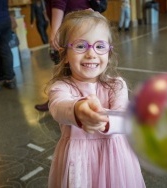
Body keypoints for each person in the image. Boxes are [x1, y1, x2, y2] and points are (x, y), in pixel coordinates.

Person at [47, 9, 146, 187]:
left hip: (115, 161)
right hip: (78, 164)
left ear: (109, 52)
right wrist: (78, 109)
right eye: (80, 46)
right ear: (65, 55)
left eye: (100, 46)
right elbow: (58, 107)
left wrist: (105, 121)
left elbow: (126, 119)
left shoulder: (117, 85)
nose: (91, 54)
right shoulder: (61, 87)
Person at [34, 0, 91, 111]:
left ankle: (65, 100)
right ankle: (70, 100)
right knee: (74, 67)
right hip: (82, 22)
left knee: (65, 66)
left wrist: (55, 30)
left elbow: (59, 2)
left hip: (71, 26)